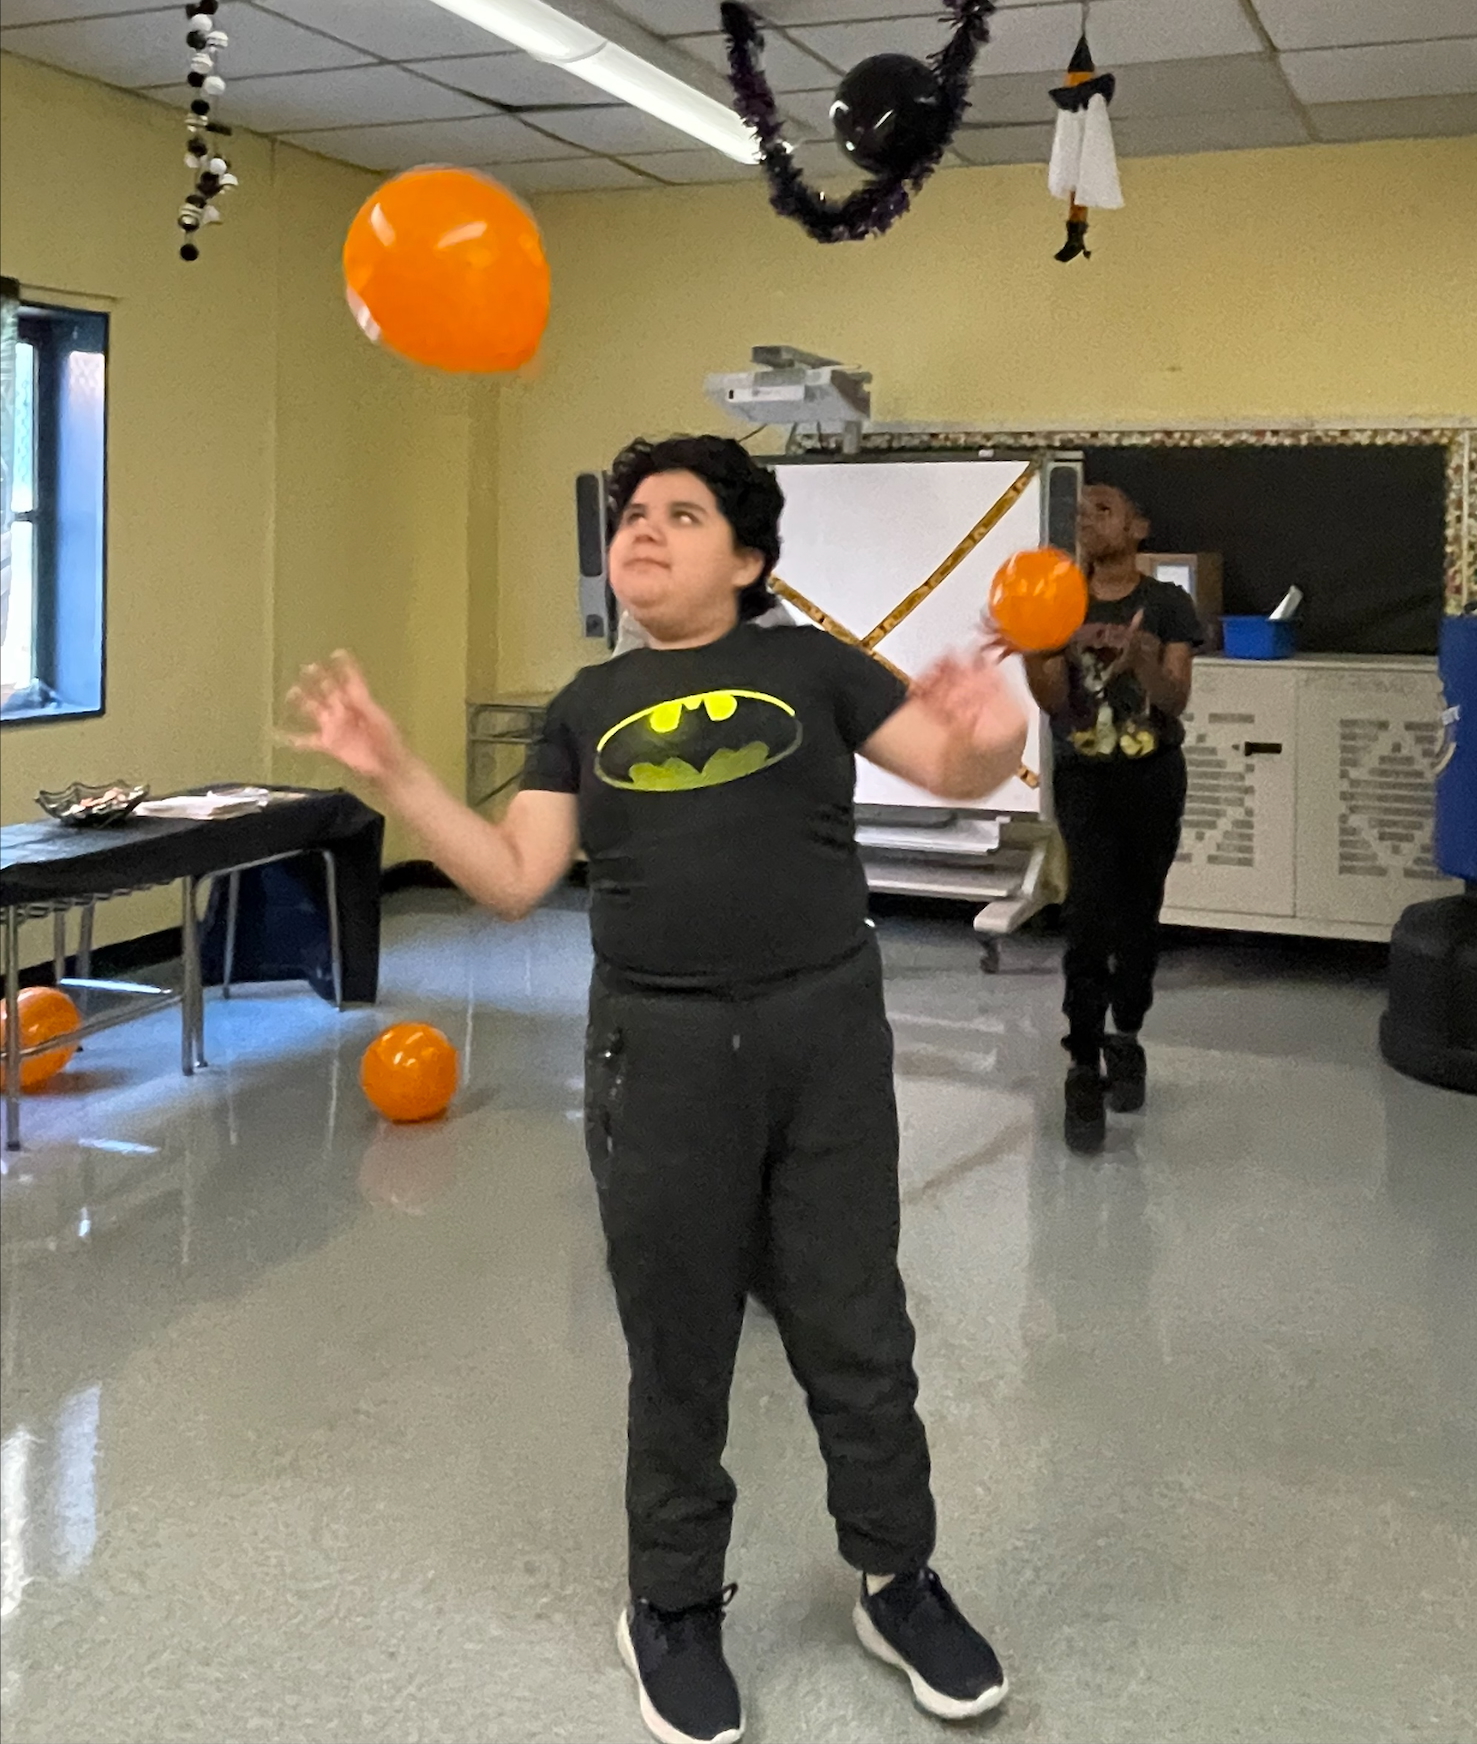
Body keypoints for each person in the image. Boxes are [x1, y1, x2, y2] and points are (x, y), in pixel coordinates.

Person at [286, 435, 1023, 1744]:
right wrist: (394, 772)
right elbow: (516, 878)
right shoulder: (583, 705)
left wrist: (995, 731)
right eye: (630, 515)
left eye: (681, 515)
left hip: (825, 1036)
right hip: (661, 1050)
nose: (643, 531)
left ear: (744, 559)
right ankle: (673, 1603)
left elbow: (957, 768)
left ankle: (896, 1577)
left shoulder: (815, 666)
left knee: (855, 1325)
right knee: (678, 1343)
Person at [1022, 484, 1201, 1153]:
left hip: (1153, 777)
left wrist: (1143, 661)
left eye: (1103, 509)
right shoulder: (1057, 603)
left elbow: (1175, 700)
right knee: (1088, 915)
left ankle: (1128, 1030)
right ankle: (1082, 1063)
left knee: (1139, 915)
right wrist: (1034, 653)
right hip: (1086, 779)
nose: (1088, 520)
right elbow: (1049, 700)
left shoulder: (1167, 604)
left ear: (1138, 524)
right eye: (1081, 513)